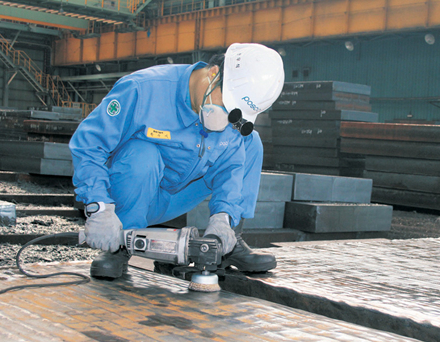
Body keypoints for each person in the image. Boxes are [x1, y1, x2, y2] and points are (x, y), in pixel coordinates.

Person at [69, 43, 285, 279]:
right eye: (226, 105)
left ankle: (228, 242)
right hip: (131, 198)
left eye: (234, 114)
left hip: (180, 194)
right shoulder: (143, 90)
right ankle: (119, 246)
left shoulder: (229, 122)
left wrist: (223, 218)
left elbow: (230, 169)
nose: (224, 120)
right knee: (143, 154)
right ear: (213, 73)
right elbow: (89, 144)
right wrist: (98, 207)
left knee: (250, 142)